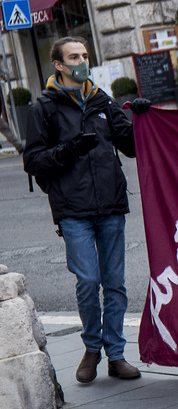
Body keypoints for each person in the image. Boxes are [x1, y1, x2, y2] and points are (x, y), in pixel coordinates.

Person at [22, 36, 140, 383]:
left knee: (115, 283)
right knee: (89, 280)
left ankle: (115, 354)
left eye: (85, 55)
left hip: (111, 204)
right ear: (58, 65)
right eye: (74, 56)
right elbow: (33, 161)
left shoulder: (103, 100)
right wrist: (71, 148)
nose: (82, 61)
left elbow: (131, 146)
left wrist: (144, 119)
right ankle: (92, 347)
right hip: (73, 208)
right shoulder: (43, 108)